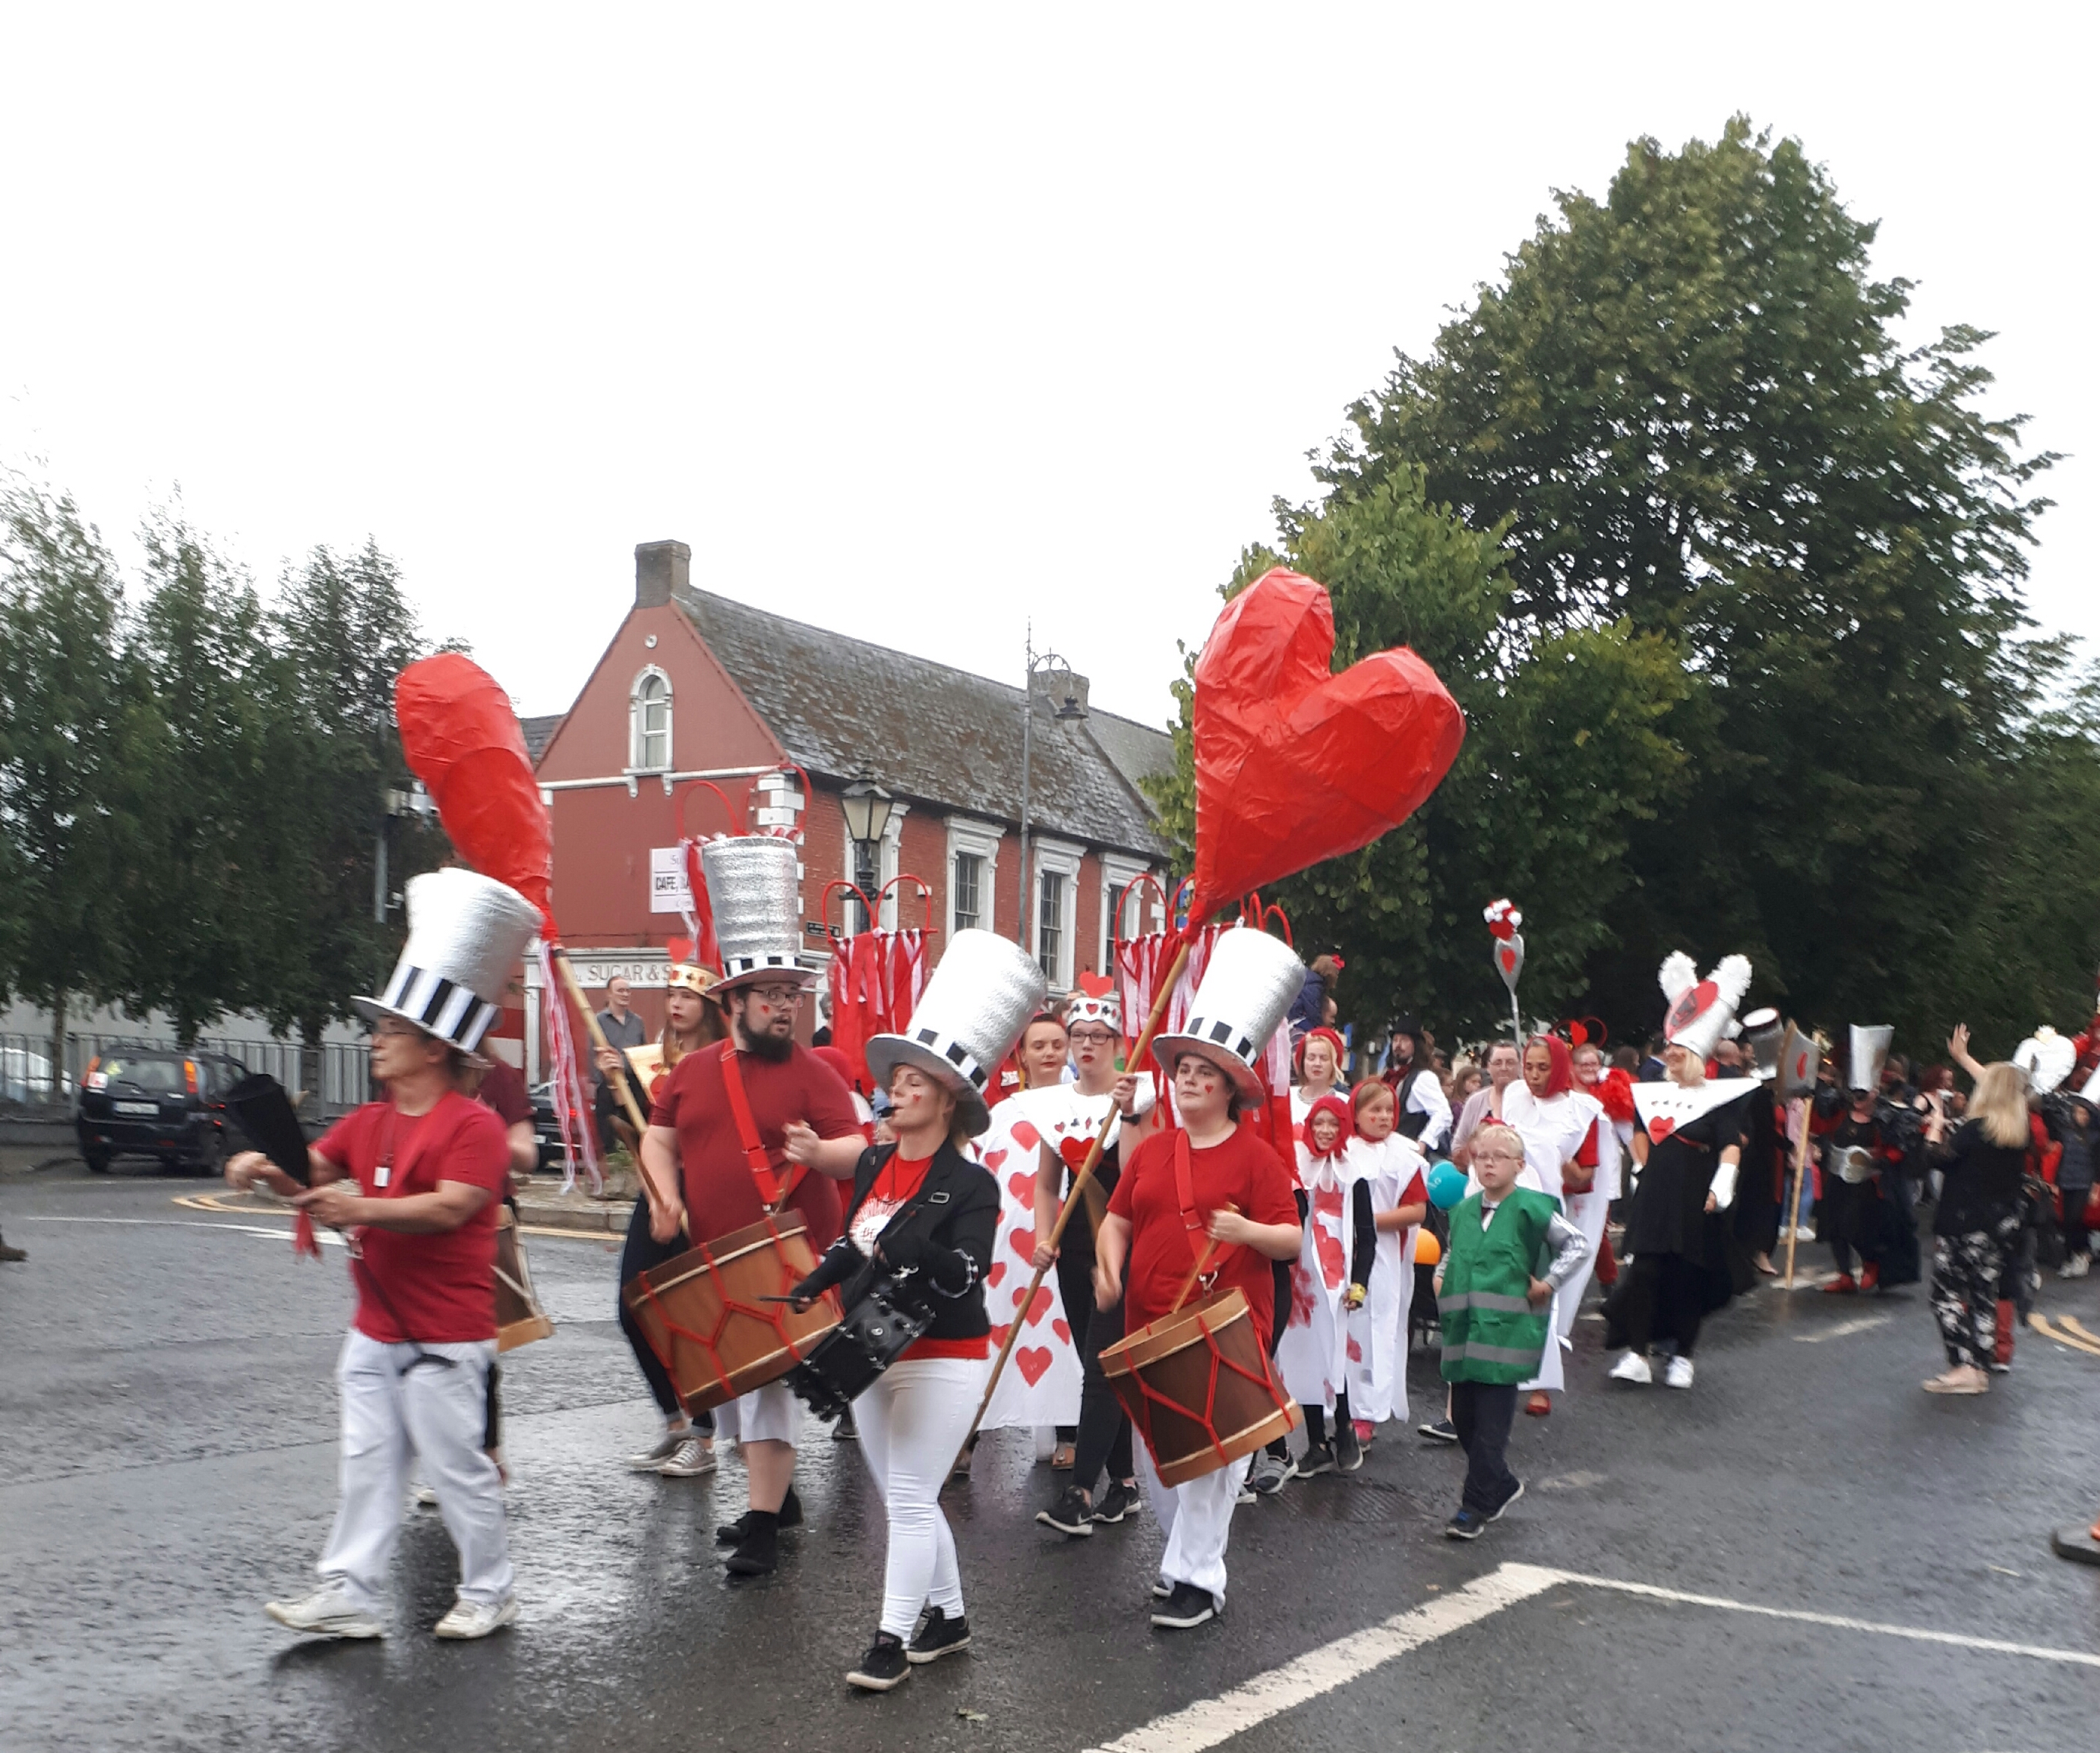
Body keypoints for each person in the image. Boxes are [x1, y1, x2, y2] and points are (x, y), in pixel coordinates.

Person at [232, 866, 538, 1641]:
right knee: (367, 1463)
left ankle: (491, 1591)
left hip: (445, 1334)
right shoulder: (368, 1120)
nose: (375, 1039)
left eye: (391, 1029)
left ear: (433, 1048)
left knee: (457, 1469)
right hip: (376, 1329)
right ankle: (350, 1593)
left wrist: (358, 1207)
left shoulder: (472, 1125)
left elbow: (452, 1206)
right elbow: (312, 1174)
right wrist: (263, 1168)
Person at [785, 926, 1040, 1691]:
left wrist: (913, 1246)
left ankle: (889, 1641)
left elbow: (966, 1273)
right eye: (892, 1080)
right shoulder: (872, 1161)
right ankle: (949, 1619)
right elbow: (856, 1241)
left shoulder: (971, 1184)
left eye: (910, 1082)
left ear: (947, 1097)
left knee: (907, 1497)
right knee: (912, 1501)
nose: (893, 1091)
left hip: (942, 1354)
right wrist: (814, 1279)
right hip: (867, 1346)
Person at [638, 839, 868, 1580]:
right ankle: (779, 1500)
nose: (785, 1007)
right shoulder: (692, 1072)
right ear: (732, 1003)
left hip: (787, 1260)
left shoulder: (813, 1073)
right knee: (735, 1389)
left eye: (792, 995)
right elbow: (657, 1139)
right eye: (770, 995)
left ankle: (764, 1525)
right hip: (714, 1254)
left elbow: (858, 1151)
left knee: (765, 1391)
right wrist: (665, 1196)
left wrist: (817, 1154)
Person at [1094, 1048, 1299, 1628]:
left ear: (1228, 1090)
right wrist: (1108, 1267)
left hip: (1225, 1328)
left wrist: (1246, 1230)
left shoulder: (1256, 1157)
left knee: (1211, 1460)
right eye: (1182, 1071)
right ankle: (1181, 1560)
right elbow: (1116, 1220)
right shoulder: (1152, 1149)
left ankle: (1199, 1581)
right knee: (1166, 1460)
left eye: (1202, 1073)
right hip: (1150, 1323)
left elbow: (1290, 1240)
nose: (1187, 1080)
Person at [1029, 990, 1156, 1537]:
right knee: (1097, 1366)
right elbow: (1045, 1184)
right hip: (1075, 1244)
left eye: (1097, 1037)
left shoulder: (1138, 1096)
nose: (1086, 1046)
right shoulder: (1055, 1104)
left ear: (1117, 1042)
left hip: (1122, 1244)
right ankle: (1123, 1482)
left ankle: (1080, 1492)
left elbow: (1135, 1172)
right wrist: (1044, 1237)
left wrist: (1129, 1113)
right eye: (1077, 1036)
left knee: (1104, 1365)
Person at [1434, 1122, 1588, 1540]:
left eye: (1498, 1157)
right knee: (1464, 1420)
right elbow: (1455, 1251)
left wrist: (1550, 1282)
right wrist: (1441, 1275)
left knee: (1490, 1427)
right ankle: (1500, 1484)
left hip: (1506, 1335)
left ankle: (1473, 1507)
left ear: (1519, 1165)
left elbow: (1577, 1245)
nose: (1488, 1164)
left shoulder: (1532, 1208)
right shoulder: (1464, 1209)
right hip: (1465, 1331)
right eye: (1481, 1156)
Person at [1606, 953, 1753, 1391]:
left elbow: (1730, 1143)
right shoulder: (1651, 1091)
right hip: (1656, 1192)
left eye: (1677, 1048)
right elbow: (1640, 1132)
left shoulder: (1720, 1097)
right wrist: (1640, 1168)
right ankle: (1637, 1353)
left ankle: (1683, 1356)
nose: (1668, 1053)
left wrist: (1722, 1185)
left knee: (1687, 1275)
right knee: (1645, 1272)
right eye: (1669, 1046)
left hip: (1694, 1195)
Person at [608, 962, 729, 1478]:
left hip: (701, 1193)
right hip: (655, 1191)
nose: (676, 1004)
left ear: (709, 1006)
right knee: (633, 1307)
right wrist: (615, 1084)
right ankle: (675, 1422)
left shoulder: (725, 1062)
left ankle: (703, 1437)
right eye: (671, 994)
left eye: (688, 996)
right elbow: (638, 1130)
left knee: (693, 1315)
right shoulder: (651, 1060)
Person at [1502, 1034, 1606, 1417]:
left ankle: (1539, 1382)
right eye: (1529, 1067)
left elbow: (1584, 1176)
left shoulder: (1582, 1112)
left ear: (1559, 1068)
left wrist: (1555, 1162)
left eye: (1543, 1068)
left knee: (1538, 1292)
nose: (1533, 1075)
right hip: (1503, 1204)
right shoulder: (1514, 1097)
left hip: (1544, 1212)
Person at [1920, 1053, 2032, 1393]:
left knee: (1945, 1295)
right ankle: (1980, 1367)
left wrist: (1935, 1128)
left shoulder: (1974, 1130)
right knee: (1984, 1297)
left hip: (1962, 1224)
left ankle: (1962, 1365)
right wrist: (1966, 1058)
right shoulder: (2016, 1132)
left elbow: (1936, 1159)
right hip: (1997, 1228)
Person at [1277, 1093, 1372, 1474]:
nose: (1326, 1130)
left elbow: (1366, 1235)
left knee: (1334, 1353)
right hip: (1300, 1279)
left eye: (1334, 1123)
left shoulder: (1354, 1173)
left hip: (1338, 1280)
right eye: (1319, 1123)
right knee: (1304, 1357)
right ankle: (1316, 1442)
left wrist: (1360, 1283)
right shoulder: (1294, 1169)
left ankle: (1345, 1426)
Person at [1344, 1079, 1427, 1439]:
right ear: (1356, 1114)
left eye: (1389, 1110)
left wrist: (1366, 1223)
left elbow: (1416, 1211)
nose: (1383, 1117)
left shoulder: (1404, 1157)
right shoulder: (1342, 1151)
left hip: (1382, 1255)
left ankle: (1368, 1411)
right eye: (1374, 1110)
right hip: (1341, 1253)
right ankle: (1341, 1404)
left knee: (1375, 1326)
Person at [1380, 1016, 1452, 1151]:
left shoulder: (1423, 1078)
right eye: (1395, 1040)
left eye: (1404, 1040)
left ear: (1416, 1045)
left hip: (1407, 1152)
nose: (1398, 1045)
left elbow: (1443, 1114)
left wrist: (1423, 1142)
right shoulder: (1388, 1076)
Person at [1451, 1040, 1521, 1167]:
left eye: (1510, 1062)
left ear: (1519, 1066)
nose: (1504, 1068)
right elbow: (1457, 1146)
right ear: (1488, 1067)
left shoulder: (1531, 1100)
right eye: (1498, 1063)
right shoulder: (1475, 1101)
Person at [1291, 1027, 1347, 1132]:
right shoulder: (1287, 1098)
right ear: (1303, 1062)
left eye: (1324, 1058)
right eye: (1311, 1058)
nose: (1317, 1064)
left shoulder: (1344, 1103)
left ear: (1334, 1064)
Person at [1287, 950, 1343, 1042]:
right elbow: (1312, 1007)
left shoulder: (1311, 980)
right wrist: (1318, 1026)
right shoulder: (1315, 986)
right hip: (1298, 1016)